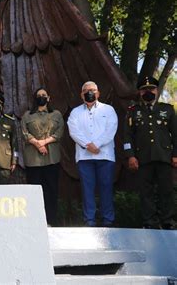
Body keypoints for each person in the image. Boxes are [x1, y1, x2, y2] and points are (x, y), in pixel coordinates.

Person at [123, 76, 176, 229]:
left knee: (166, 191)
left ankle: (168, 221)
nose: (148, 92)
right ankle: (150, 222)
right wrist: (130, 156)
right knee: (146, 193)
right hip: (143, 158)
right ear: (139, 93)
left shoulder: (167, 109)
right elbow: (127, 136)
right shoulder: (133, 112)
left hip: (164, 157)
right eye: (144, 90)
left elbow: (175, 134)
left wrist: (175, 155)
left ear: (156, 90)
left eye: (151, 89)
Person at [67, 81, 118, 227]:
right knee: (87, 189)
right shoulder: (75, 112)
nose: (89, 92)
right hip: (84, 157)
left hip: (105, 155)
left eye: (93, 90)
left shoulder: (108, 110)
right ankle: (89, 219)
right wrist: (87, 145)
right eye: (86, 90)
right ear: (81, 94)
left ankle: (108, 219)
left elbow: (111, 129)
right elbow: (73, 131)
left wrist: (97, 144)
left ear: (98, 93)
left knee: (106, 187)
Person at [21, 88, 64, 226]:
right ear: (35, 98)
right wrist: (37, 144)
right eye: (39, 96)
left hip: (52, 159)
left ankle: (51, 220)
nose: (41, 97)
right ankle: (36, 221)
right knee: (35, 191)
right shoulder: (27, 115)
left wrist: (44, 142)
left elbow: (59, 132)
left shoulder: (56, 114)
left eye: (44, 95)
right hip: (33, 160)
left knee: (51, 190)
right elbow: (24, 133)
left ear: (49, 98)